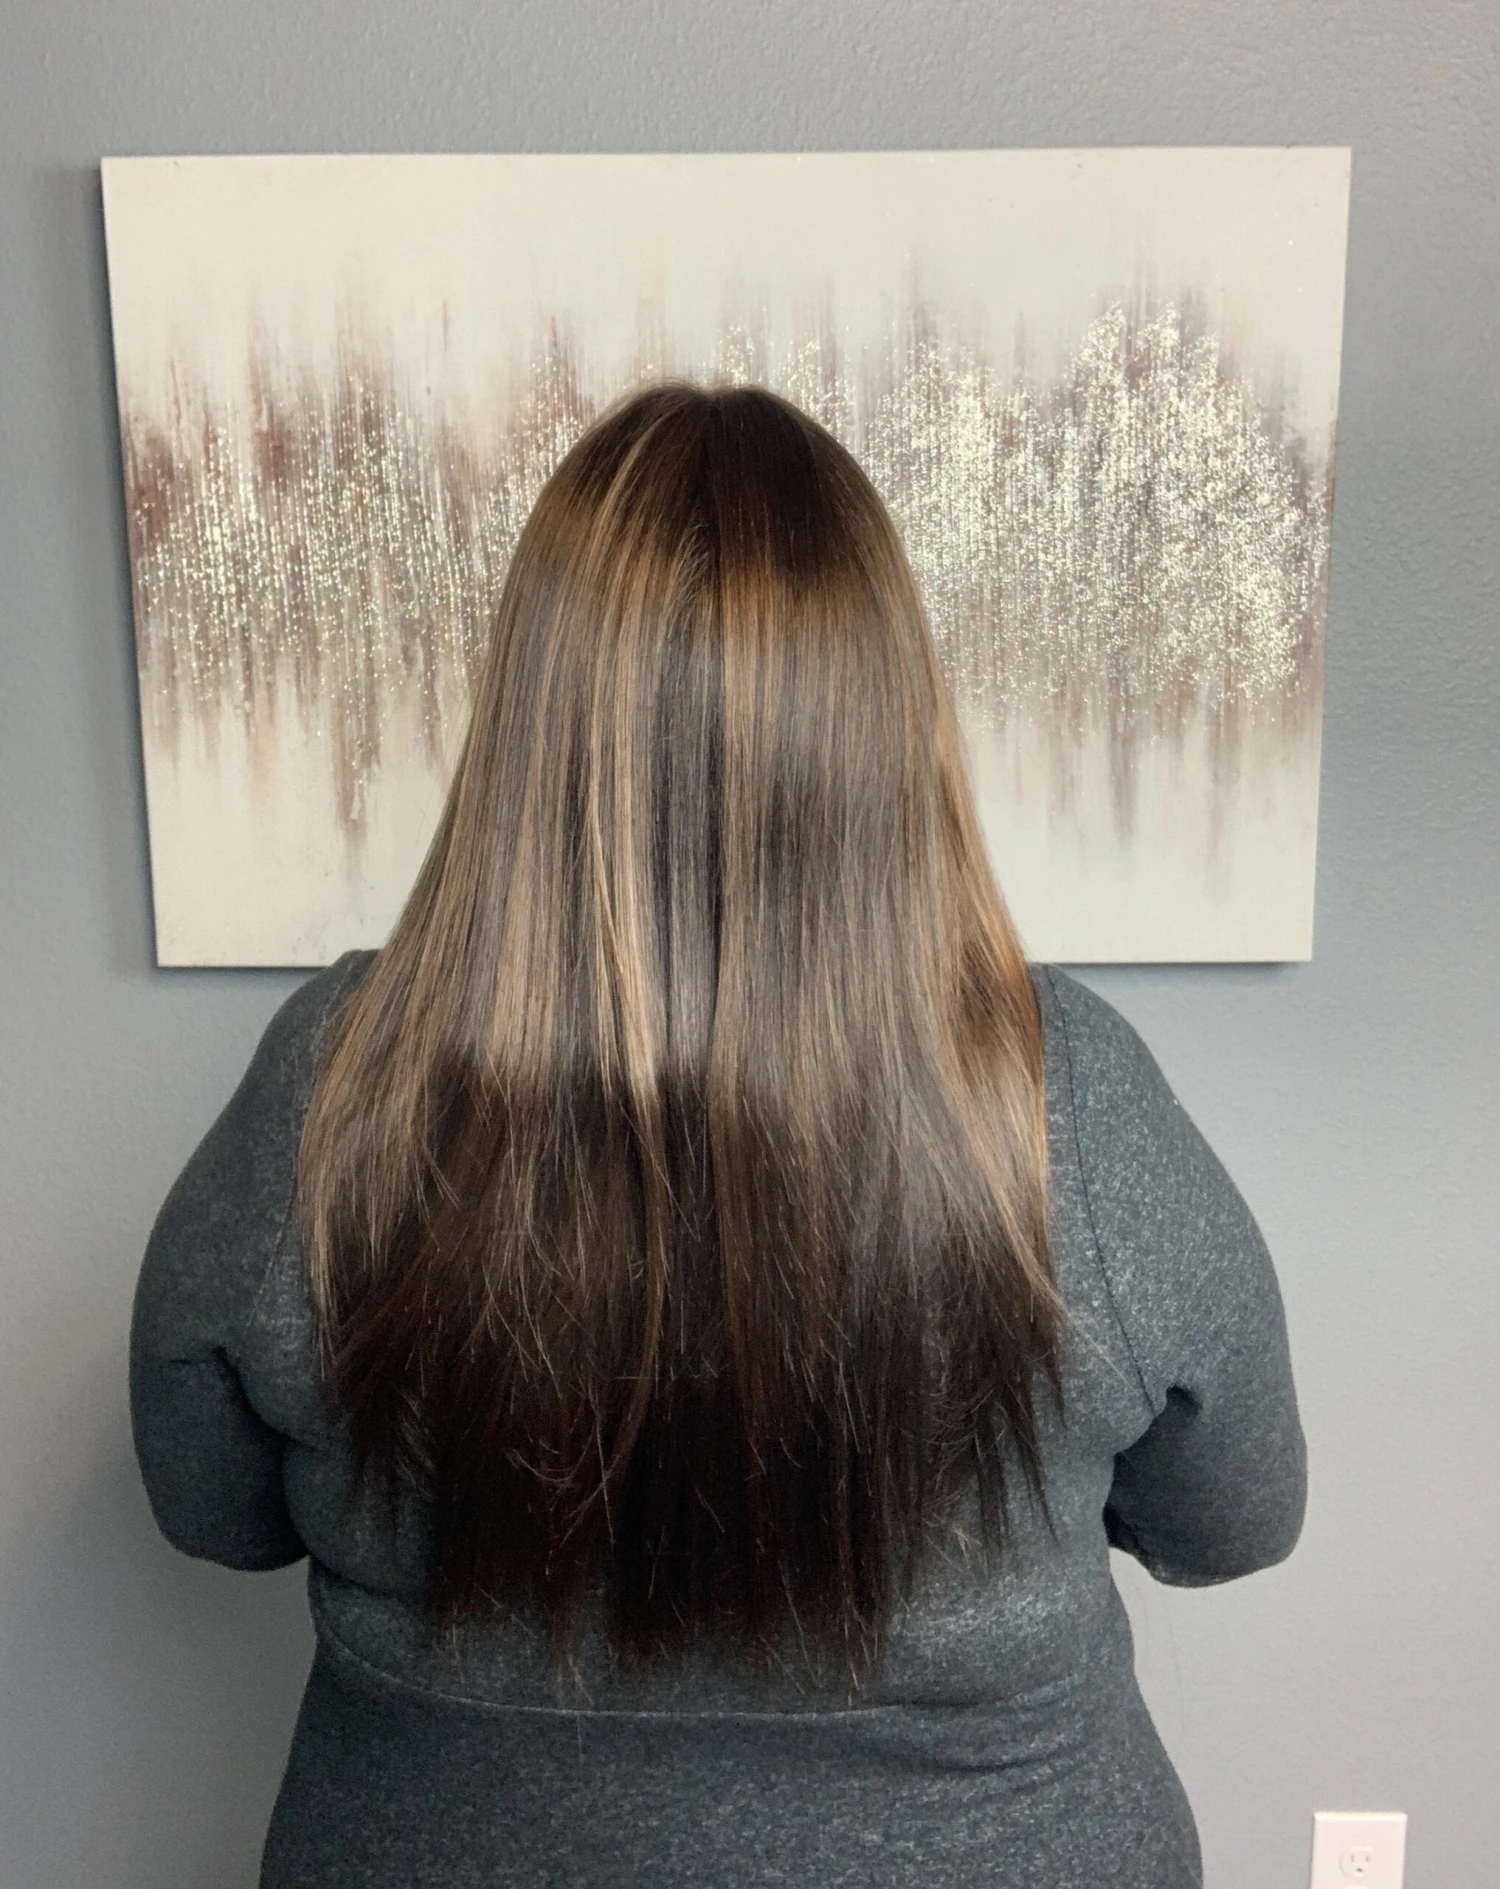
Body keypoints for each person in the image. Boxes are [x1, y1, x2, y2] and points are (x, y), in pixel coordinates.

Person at [130, 383, 1306, 1889]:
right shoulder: (1059, 1092)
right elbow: (1232, 1522)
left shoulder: (337, 1080)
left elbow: (214, 1512)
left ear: (534, 714)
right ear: (889, 718)